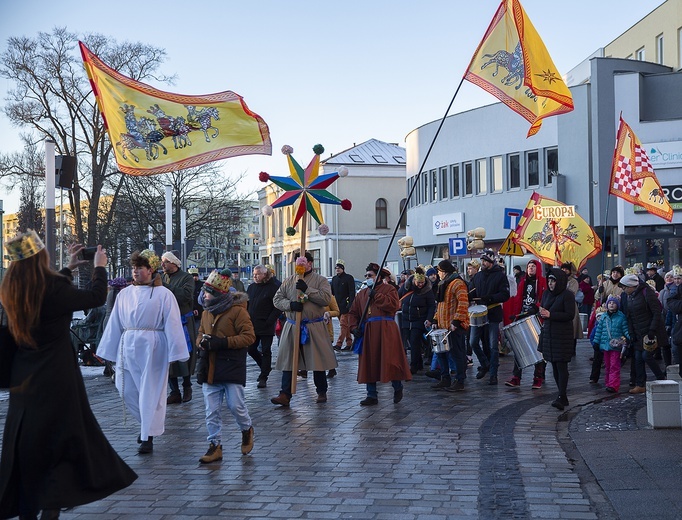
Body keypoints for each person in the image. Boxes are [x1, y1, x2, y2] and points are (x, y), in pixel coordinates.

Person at [0, 231, 137, 519]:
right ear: (40, 258)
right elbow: (95, 296)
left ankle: (28, 509)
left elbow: (47, 292)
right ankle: (51, 508)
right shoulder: (52, 287)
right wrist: (100, 266)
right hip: (56, 376)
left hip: (23, 378)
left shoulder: (11, 288)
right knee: (60, 444)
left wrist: (69, 268)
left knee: (28, 445)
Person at [98, 250, 189, 454]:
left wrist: (176, 352)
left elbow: (172, 323)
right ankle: (147, 424)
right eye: (133, 268)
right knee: (126, 388)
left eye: (140, 268)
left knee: (150, 391)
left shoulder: (163, 294)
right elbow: (115, 323)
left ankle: (147, 435)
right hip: (128, 343)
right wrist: (107, 350)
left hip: (153, 345)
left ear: (150, 270)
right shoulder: (125, 294)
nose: (135, 272)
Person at [195, 269, 256, 463]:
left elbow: (248, 337)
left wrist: (222, 342)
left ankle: (247, 429)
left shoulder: (238, 311)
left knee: (235, 405)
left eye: (207, 291)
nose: (203, 295)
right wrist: (201, 342)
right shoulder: (206, 312)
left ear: (217, 294)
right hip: (210, 368)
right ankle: (215, 445)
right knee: (211, 410)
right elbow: (200, 333)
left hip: (230, 366)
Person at [271, 251, 337, 406]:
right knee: (289, 360)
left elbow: (325, 299)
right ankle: (285, 393)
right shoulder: (288, 281)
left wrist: (307, 289)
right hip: (293, 326)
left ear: (310, 263)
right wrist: (290, 305)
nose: (299, 265)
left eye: (303, 262)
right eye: (297, 262)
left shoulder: (321, 280)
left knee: (316, 359)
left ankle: (321, 390)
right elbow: (277, 299)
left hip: (313, 326)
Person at [348, 263, 412, 405]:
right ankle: (371, 394)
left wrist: (376, 296)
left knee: (389, 360)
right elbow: (353, 312)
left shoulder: (389, 289)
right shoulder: (362, 294)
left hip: (385, 329)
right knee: (369, 361)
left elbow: (393, 305)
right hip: (368, 331)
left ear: (378, 277)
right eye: (366, 276)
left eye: (370, 275)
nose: (367, 278)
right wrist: (353, 327)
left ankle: (397, 386)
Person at [425, 260, 470, 392]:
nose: (438, 274)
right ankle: (445, 378)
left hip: (453, 326)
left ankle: (460, 380)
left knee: (457, 354)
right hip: (442, 326)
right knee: (441, 354)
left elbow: (463, 303)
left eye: (439, 271)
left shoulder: (457, 283)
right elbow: (440, 306)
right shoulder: (443, 284)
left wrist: (456, 321)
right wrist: (434, 320)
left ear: (445, 271)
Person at [619, 273, 667, 394]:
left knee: (647, 356)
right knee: (638, 357)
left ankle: (661, 378)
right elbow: (629, 316)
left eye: (624, 287)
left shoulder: (647, 293)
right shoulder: (628, 297)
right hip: (638, 331)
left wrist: (652, 330)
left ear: (631, 286)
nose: (623, 290)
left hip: (651, 331)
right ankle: (640, 384)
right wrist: (631, 333)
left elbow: (657, 312)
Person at [468, 251, 510, 385]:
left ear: (491, 262)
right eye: (482, 260)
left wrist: (491, 298)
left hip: (493, 313)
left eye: (486, 261)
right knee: (473, 342)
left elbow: (505, 295)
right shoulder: (478, 276)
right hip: (479, 313)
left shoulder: (500, 276)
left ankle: (493, 374)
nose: (483, 263)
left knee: (493, 345)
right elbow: (471, 291)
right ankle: (485, 363)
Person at [504, 259, 547, 389]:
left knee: (538, 349)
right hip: (523, 316)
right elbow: (517, 299)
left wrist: (537, 307)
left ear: (537, 268)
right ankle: (516, 377)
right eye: (529, 266)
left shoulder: (542, 282)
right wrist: (515, 315)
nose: (531, 268)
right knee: (519, 348)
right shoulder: (522, 282)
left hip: (537, 318)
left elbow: (545, 299)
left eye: (533, 266)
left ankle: (538, 377)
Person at [537, 268, 576, 411]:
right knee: (553, 365)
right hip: (549, 334)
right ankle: (562, 395)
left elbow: (569, 315)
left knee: (561, 366)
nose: (550, 284)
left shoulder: (567, 295)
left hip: (562, 335)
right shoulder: (547, 293)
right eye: (549, 281)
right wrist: (542, 312)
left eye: (553, 281)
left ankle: (561, 395)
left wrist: (551, 314)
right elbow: (544, 309)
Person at [161, 251, 197, 404]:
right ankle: (174, 391)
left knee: (183, 355)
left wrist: (164, 286)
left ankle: (187, 386)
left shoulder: (186, 278)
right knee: (168, 358)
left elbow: (185, 296)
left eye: (165, 262)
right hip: (166, 322)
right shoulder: (162, 277)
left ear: (174, 263)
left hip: (182, 322)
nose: (162, 265)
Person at [246, 264, 281, 388]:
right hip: (253, 324)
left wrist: (270, 320)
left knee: (266, 350)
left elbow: (278, 306)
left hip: (266, 324)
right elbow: (247, 304)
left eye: (257, 274)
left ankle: (263, 376)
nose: (255, 277)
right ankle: (264, 367)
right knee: (251, 349)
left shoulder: (273, 287)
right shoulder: (251, 287)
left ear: (264, 274)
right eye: (254, 274)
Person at [398, 267, 436, 375]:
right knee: (412, 342)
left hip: (419, 320)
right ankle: (419, 363)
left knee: (414, 342)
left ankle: (414, 365)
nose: (421, 285)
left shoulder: (427, 291)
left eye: (422, 282)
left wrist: (429, 319)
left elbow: (431, 306)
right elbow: (398, 295)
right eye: (419, 283)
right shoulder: (406, 287)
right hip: (406, 319)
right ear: (414, 281)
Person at [592, 296, 629, 393]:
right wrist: (596, 342)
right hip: (605, 345)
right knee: (607, 365)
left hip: (616, 346)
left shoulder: (621, 317)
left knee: (614, 365)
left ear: (618, 305)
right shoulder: (604, 317)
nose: (611, 304)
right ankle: (608, 382)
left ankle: (613, 384)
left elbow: (625, 329)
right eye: (609, 303)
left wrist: (629, 337)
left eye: (614, 303)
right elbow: (599, 331)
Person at [331, 259, 356, 351]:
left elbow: (352, 292)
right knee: (345, 326)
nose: (337, 269)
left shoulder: (349, 278)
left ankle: (339, 344)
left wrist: (350, 304)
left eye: (339, 268)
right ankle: (349, 343)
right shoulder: (334, 279)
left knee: (343, 325)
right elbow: (332, 292)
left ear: (343, 268)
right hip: (337, 306)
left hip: (346, 305)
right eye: (336, 268)